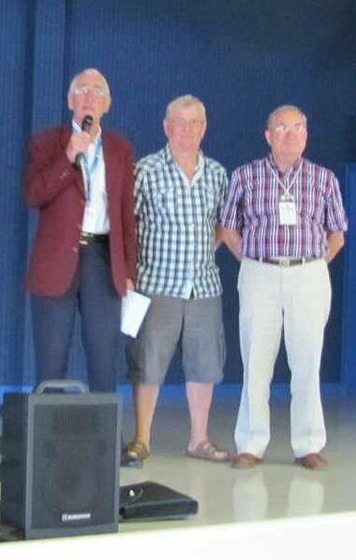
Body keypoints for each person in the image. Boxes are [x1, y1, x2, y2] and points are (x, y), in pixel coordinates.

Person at [218, 105, 348, 470]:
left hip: (308, 274)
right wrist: (254, 262)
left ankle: (308, 445)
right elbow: (228, 229)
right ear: (268, 135)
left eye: (296, 128)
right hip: (259, 273)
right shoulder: (245, 176)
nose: (289, 135)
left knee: (307, 362)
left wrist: (313, 266)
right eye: (281, 128)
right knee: (255, 361)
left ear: (306, 135)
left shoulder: (324, 179)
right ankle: (250, 444)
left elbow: (337, 235)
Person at [123, 95, 231, 464]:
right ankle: (142, 439)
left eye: (194, 122)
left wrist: (204, 248)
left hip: (204, 287)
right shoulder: (145, 170)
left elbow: (225, 222)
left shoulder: (217, 173)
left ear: (204, 128)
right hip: (157, 285)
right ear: (166, 127)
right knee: (148, 363)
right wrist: (128, 273)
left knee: (204, 365)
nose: (187, 129)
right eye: (179, 122)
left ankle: (198, 440)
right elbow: (127, 224)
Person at [23, 69, 135, 394]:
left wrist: (129, 270)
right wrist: (68, 157)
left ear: (107, 104)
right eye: (82, 90)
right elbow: (33, 194)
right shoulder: (46, 143)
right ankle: (49, 427)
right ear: (70, 101)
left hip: (103, 258)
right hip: (56, 260)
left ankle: (104, 427)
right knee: (51, 362)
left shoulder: (120, 148)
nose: (89, 96)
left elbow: (127, 213)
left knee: (103, 360)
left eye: (97, 91)